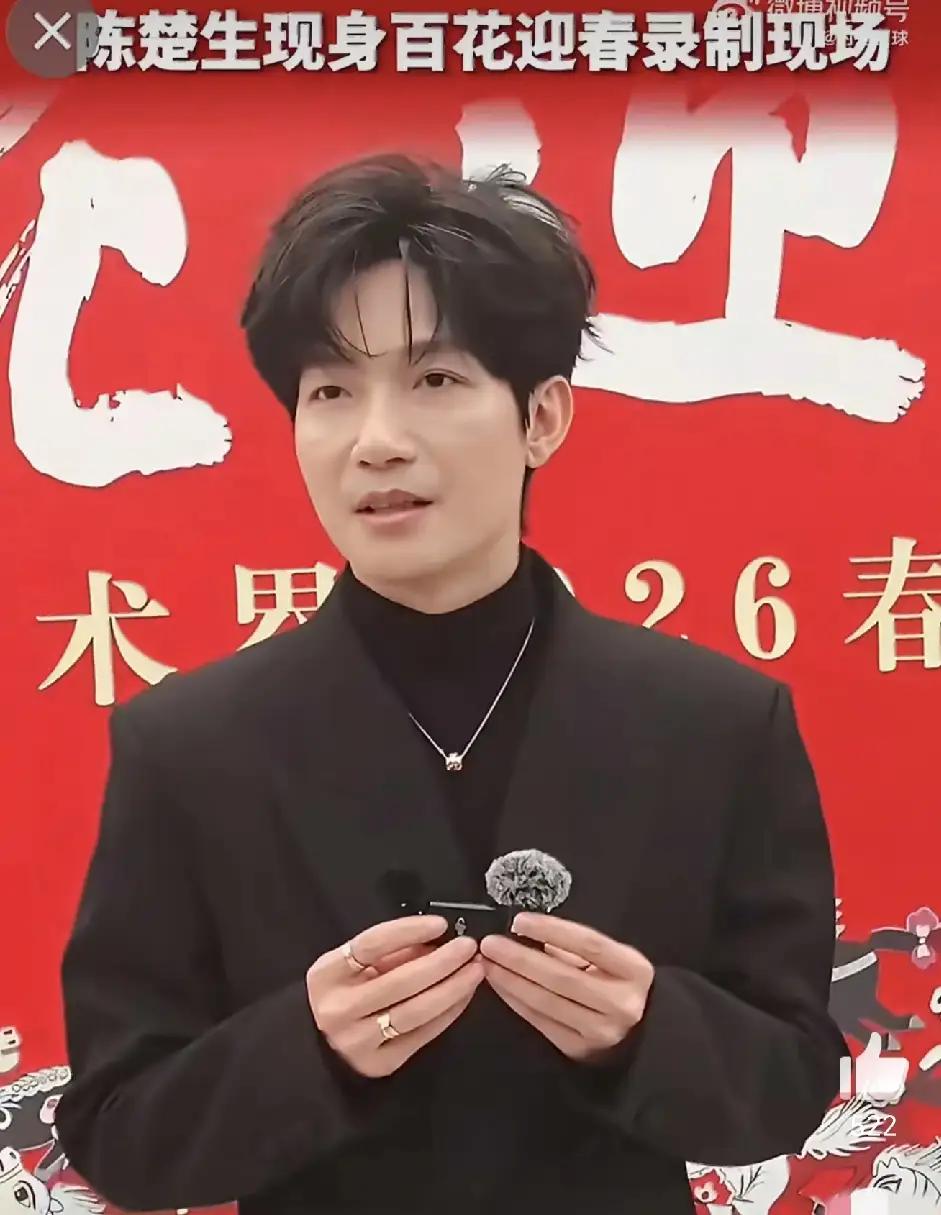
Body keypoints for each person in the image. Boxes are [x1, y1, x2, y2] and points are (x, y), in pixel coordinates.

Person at [54, 154, 847, 1215]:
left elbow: (789, 1080)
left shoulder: (713, 722)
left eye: (433, 381)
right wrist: (308, 1046)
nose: (376, 442)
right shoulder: (189, 747)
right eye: (331, 392)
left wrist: (645, 1029)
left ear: (541, 418)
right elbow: (118, 1132)